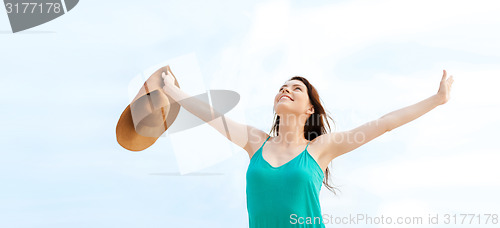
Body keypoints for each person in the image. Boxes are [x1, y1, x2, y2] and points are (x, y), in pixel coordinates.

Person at [161, 69, 454, 227]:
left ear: (309, 109)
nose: (285, 90)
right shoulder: (255, 142)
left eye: (295, 88)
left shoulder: (321, 149)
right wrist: (173, 90)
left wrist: (436, 99)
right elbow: (213, 116)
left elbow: (384, 123)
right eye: (282, 87)